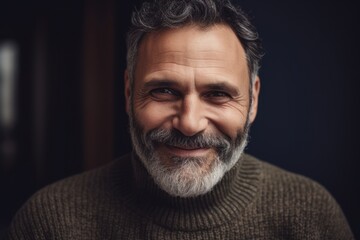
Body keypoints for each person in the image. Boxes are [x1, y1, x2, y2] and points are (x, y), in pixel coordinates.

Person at [6, 0, 354, 239]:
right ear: (128, 93)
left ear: (253, 101)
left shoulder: (310, 216)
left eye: (217, 94)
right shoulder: (49, 223)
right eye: (164, 91)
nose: (189, 124)